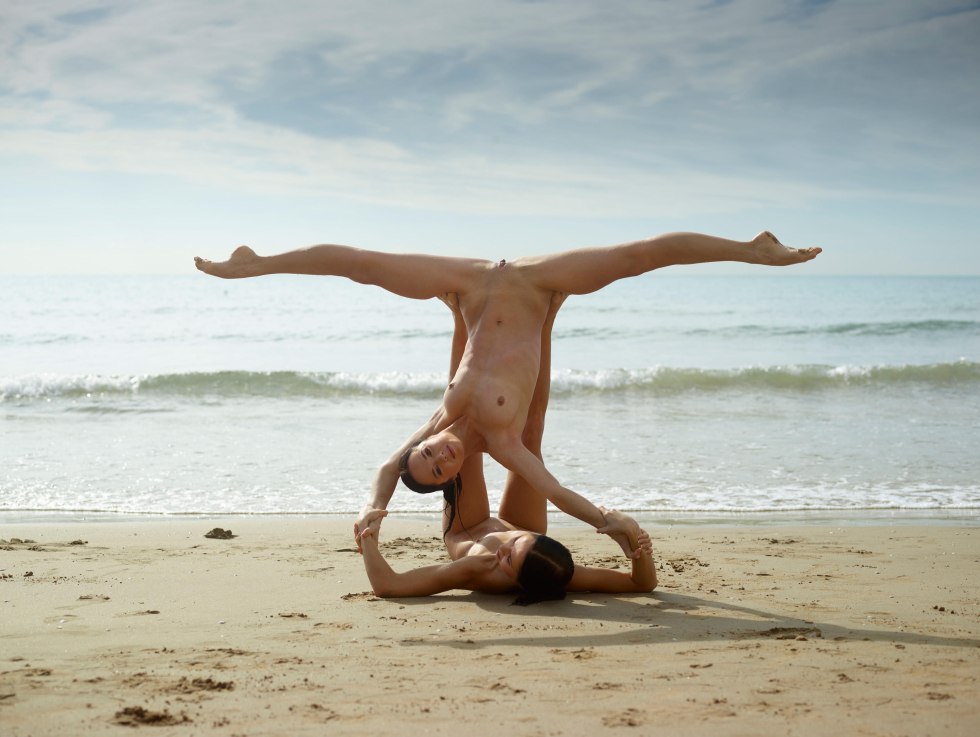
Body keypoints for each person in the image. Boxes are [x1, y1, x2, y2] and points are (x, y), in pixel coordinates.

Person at [195, 230, 820, 558]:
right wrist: (607, 522)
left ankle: (254, 263)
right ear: (455, 469)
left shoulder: (442, 416)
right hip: (532, 284)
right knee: (637, 257)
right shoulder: (499, 440)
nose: (436, 452)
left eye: (427, 452)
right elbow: (550, 487)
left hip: (470, 282)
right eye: (439, 464)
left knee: (359, 262)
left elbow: (389, 465)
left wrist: (373, 509)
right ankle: (752, 253)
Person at [355, 290, 656, 603]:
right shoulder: (555, 569)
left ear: (518, 583)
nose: (503, 548)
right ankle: (545, 317)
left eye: (508, 559)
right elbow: (641, 584)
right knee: (532, 431)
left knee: (457, 426)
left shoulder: (479, 566)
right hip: (523, 522)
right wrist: (635, 541)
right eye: (517, 544)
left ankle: (462, 316)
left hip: (467, 526)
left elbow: (389, 585)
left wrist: (369, 539)